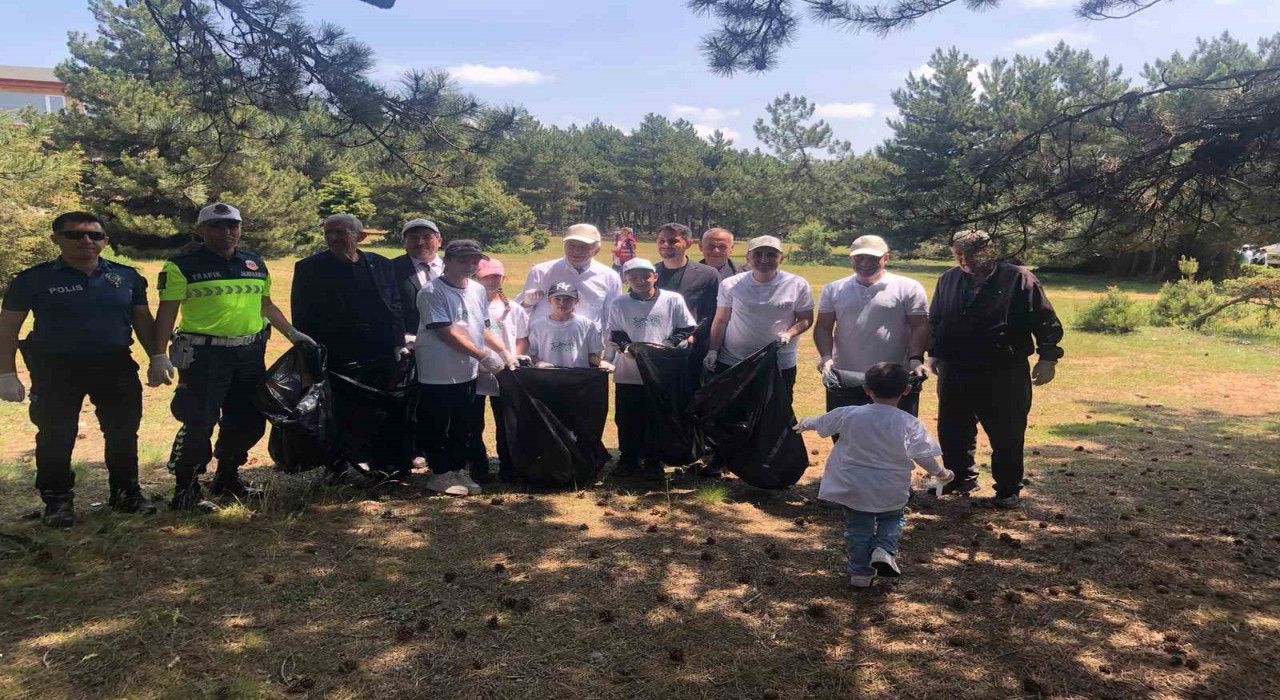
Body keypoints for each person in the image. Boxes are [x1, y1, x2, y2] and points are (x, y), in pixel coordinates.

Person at [150, 202, 315, 512]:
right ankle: (185, 488)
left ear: (240, 229)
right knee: (199, 421)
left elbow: (265, 305)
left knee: (249, 419)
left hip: (250, 353)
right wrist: (158, 355)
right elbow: (168, 311)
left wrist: (292, 333)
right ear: (200, 230)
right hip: (204, 355)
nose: (226, 232)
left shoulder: (254, 263)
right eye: (216, 226)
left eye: (232, 226)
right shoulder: (181, 265)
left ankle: (228, 477)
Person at [0, 212, 160, 527]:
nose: (86, 241)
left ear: (105, 241)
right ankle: (57, 501)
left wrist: (157, 355)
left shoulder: (127, 277)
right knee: (56, 436)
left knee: (123, 432)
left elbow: (142, 320)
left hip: (115, 364)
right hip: (56, 369)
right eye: (74, 235)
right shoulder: (32, 279)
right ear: (56, 239)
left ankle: (126, 494)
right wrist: (6, 373)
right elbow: (7, 327)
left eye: (95, 236)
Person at [928, 230, 1064, 509]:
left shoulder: (1018, 278)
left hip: (1004, 369)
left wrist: (1048, 357)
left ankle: (1007, 488)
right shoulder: (949, 279)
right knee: (953, 428)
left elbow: (1045, 320)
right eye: (958, 254)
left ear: (990, 251)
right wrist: (934, 354)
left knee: (1007, 431)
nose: (965, 260)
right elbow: (937, 320)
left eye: (971, 254)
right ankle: (959, 478)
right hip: (956, 367)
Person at [795, 363, 953, 587]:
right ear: (906, 390)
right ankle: (883, 549)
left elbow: (821, 421)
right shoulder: (910, 423)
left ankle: (860, 572)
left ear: (866, 389)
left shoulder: (850, 413)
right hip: (891, 486)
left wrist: (804, 423)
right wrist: (941, 473)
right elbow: (923, 455)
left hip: (853, 485)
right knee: (892, 517)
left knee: (858, 527)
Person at [292, 213, 406, 481]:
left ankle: (378, 463)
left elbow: (395, 304)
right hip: (335, 351)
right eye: (329, 233)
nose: (333, 238)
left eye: (341, 233)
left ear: (360, 236)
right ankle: (336, 465)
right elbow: (302, 315)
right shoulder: (309, 267)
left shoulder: (380, 264)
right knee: (337, 410)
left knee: (377, 409)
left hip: (378, 351)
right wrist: (310, 355)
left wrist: (399, 342)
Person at [415, 239, 515, 497]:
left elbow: (480, 326)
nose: (470, 265)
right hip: (437, 370)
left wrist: (501, 349)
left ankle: (458, 468)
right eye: (462, 260)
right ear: (447, 261)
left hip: (467, 370)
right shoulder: (432, 292)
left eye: (474, 260)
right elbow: (445, 332)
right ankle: (439, 473)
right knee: (439, 423)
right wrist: (483, 355)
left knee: (464, 423)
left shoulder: (477, 290)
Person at [813, 235, 929, 421]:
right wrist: (826, 357)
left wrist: (915, 358)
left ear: (886, 258)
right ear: (851, 258)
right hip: (845, 375)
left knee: (893, 433)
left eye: (873, 258)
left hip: (892, 375)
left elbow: (920, 326)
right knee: (846, 432)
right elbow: (824, 327)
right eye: (859, 258)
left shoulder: (908, 287)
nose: (865, 263)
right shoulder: (833, 289)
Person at [607, 258, 696, 480]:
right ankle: (628, 458)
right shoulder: (619, 303)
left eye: (645, 276)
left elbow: (687, 327)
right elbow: (615, 332)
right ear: (625, 279)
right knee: (628, 417)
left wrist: (668, 345)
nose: (640, 281)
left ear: (654, 276)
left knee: (656, 415)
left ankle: (654, 459)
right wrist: (626, 347)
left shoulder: (672, 300)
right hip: (629, 370)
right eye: (633, 277)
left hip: (661, 370)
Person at [704, 236, 814, 394]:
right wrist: (713, 350)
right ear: (747, 257)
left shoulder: (796, 284)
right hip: (734, 360)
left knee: (775, 412)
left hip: (779, 361)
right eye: (758, 254)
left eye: (771, 254)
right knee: (731, 411)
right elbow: (721, 320)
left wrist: (790, 334)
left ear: (781, 258)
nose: (764, 259)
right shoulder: (730, 284)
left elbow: (806, 319)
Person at [464, 258, 528, 484]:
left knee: (506, 423)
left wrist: (515, 357)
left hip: (506, 373)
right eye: (486, 276)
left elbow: (521, 338)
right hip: (476, 371)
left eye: (496, 276)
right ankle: (477, 465)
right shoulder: (471, 306)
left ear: (503, 278)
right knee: (473, 424)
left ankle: (508, 465)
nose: (491, 279)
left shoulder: (514, 308)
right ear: (475, 278)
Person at [519, 223, 620, 332]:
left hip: (586, 343)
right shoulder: (541, 271)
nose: (576, 251)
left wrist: (610, 346)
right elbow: (518, 312)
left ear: (596, 250)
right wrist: (527, 303)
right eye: (571, 245)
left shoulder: (610, 277)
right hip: (543, 340)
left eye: (583, 246)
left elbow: (612, 317)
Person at [654, 223, 720, 370]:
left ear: (688, 243)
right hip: (656, 346)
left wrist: (690, 335)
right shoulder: (649, 274)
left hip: (692, 348)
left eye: (672, 241)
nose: (666, 244)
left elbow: (711, 312)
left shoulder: (708, 274)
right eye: (661, 241)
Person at [518, 282, 608, 370]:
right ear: (549, 301)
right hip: (547, 376)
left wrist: (601, 362)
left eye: (567, 299)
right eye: (557, 299)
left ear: (576, 301)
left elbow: (591, 355)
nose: (562, 303)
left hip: (579, 376)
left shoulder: (586, 325)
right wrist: (539, 362)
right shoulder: (538, 326)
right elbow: (531, 354)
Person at [391, 218, 443, 340]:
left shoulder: (455, 266)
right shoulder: (390, 268)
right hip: (412, 342)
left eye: (427, 237)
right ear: (404, 242)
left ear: (439, 241)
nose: (420, 242)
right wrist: (400, 336)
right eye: (413, 238)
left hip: (455, 341)